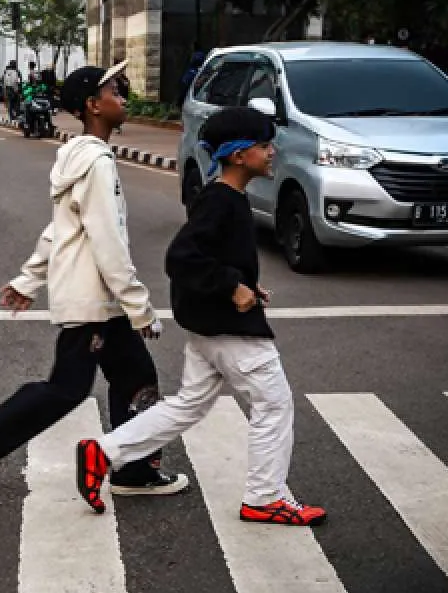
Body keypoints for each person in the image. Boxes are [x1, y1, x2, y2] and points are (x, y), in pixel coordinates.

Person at [0, 61, 188, 501]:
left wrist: (29, 278)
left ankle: (133, 469)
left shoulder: (78, 156)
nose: (123, 96)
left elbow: (60, 229)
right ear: (93, 105)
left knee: (136, 376)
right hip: (94, 300)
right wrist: (139, 306)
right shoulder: (96, 163)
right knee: (67, 389)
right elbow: (107, 240)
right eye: (115, 90)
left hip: (98, 299)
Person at [74, 107, 326, 526]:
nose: (272, 152)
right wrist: (232, 285)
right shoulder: (221, 201)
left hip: (211, 328)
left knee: (189, 404)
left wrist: (245, 283)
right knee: (274, 404)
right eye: (265, 145)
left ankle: (106, 452)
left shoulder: (225, 198)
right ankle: (265, 498)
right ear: (240, 155)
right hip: (230, 330)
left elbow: (209, 255)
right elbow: (182, 257)